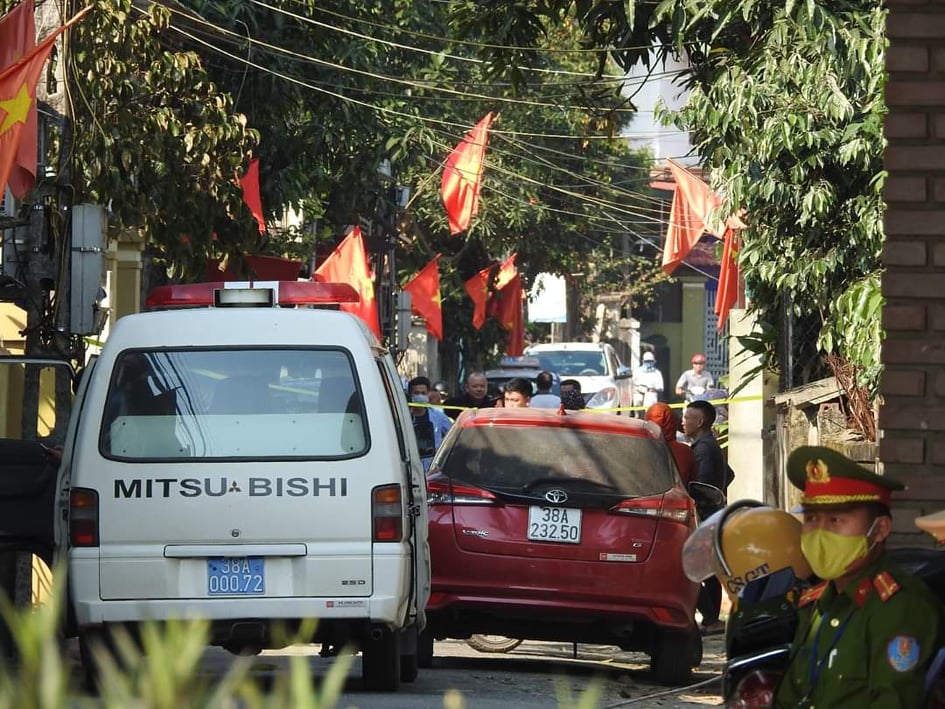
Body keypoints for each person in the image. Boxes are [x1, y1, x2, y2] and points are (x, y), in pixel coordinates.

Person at [773, 445, 945, 708]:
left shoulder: (899, 607)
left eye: (836, 521)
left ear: (880, 530)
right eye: (811, 518)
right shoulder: (817, 602)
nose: (820, 534)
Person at [682, 399, 728, 635]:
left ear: (699, 422)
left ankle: (711, 619)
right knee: (708, 571)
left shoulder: (702, 448)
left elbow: (701, 485)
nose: (683, 421)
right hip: (713, 513)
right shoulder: (709, 444)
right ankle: (711, 620)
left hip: (705, 515)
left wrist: (697, 499)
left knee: (693, 570)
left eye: (687, 417)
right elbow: (729, 474)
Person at [407, 376, 452, 472]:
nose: (420, 396)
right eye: (416, 393)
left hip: (434, 469)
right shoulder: (403, 417)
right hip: (411, 468)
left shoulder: (438, 416)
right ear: (410, 395)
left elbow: (451, 437)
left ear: (428, 394)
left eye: (423, 393)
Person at [645, 402, 695, 485]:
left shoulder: (636, 450)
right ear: (672, 422)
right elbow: (694, 483)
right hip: (676, 497)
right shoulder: (685, 452)